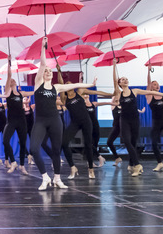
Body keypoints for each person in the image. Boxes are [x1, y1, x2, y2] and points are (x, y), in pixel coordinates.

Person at [29, 37, 96, 190]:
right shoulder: (38, 84)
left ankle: (57, 179)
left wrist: (90, 84)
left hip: (54, 120)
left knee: (56, 150)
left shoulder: (57, 87)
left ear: (51, 75)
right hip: (40, 121)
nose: (47, 72)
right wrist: (42, 47)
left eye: (48, 72)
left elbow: (76, 84)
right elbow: (43, 63)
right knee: (33, 148)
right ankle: (45, 177)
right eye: (45, 71)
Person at [112, 58, 163, 177]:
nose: (125, 80)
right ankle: (137, 165)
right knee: (127, 141)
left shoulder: (135, 91)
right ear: (119, 83)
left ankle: (131, 164)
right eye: (123, 79)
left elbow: (152, 92)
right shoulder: (118, 93)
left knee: (133, 142)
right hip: (124, 120)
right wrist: (113, 65)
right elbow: (114, 80)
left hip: (135, 120)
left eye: (126, 79)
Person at [58, 76, 113, 180]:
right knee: (64, 143)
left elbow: (97, 93)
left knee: (88, 144)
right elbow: (60, 84)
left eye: (71, 83)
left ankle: (91, 169)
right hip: (75, 123)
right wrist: (59, 72)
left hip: (86, 121)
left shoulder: (80, 92)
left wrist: (111, 94)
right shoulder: (64, 98)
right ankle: (72, 167)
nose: (69, 84)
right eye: (67, 84)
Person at [2, 55, 33, 174]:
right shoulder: (7, 92)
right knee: (5, 141)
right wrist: (9, 63)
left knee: (23, 143)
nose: (12, 80)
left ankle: (21, 165)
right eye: (11, 80)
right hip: (11, 121)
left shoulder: (21, 93)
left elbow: (34, 91)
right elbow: (9, 75)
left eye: (14, 80)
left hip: (22, 121)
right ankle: (13, 162)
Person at [83, 93, 116, 168]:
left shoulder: (93, 104)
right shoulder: (81, 105)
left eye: (87, 94)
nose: (86, 95)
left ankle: (91, 162)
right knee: (89, 144)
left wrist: (111, 103)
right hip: (87, 125)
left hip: (95, 125)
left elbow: (104, 103)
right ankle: (100, 158)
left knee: (95, 144)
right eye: (84, 94)